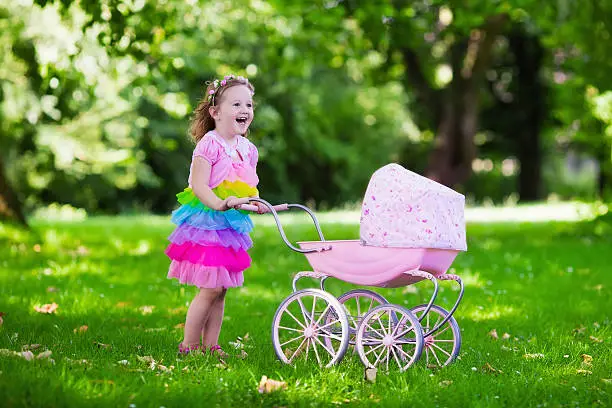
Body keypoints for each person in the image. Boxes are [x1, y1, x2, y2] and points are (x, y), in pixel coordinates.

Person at [165, 74, 263, 357]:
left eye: (249, 104)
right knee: (209, 288)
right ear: (215, 112)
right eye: (236, 104)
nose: (244, 110)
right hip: (207, 224)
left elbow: (248, 185)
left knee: (221, 289)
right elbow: (198, 185)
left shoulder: (247, 149)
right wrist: (220, 204)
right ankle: (190, 345)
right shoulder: (209, 144)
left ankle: (211, 345)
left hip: (230, 225)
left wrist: (255, 202)